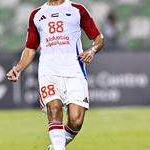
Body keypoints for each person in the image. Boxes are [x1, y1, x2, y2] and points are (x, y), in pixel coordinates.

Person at [7, 0, 104, 150]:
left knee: (76, 120)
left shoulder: (77, 9)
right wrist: (18, 68)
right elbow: (30, 49)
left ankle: (55, 147)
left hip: (74, 70)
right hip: (48, 70)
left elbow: (99, 38)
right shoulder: (36, 14)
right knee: (54, 109)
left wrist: (91, 51)